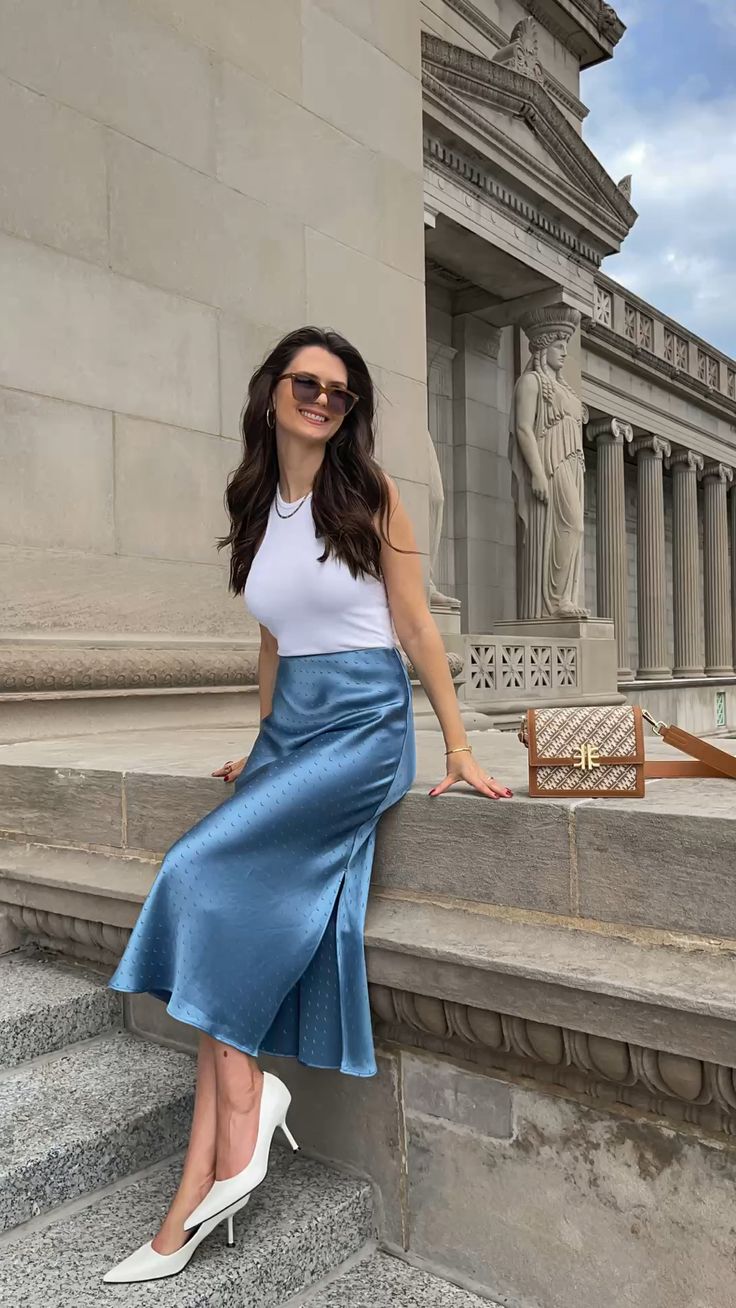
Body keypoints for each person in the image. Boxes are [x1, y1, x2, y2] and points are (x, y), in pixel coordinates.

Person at [102, 325, 512, 1283]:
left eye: (339, 391)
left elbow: (413, 623)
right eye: (307, 384)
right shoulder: (255, 503)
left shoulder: (366, 494)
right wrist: (262, 746)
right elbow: (273, 641)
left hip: (367, 730)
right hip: (294, 736)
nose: (323, 400)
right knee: (213, 902)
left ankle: (237, 1134)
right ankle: (194, 1199)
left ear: (350, 409)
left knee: (192, 870)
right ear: (273, 391)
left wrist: (454, 744)